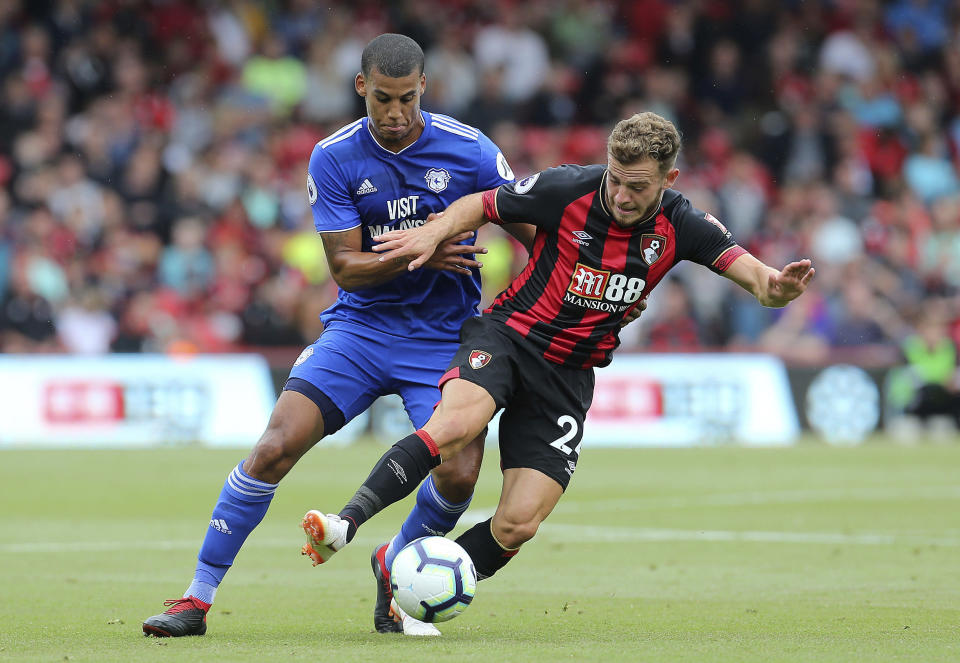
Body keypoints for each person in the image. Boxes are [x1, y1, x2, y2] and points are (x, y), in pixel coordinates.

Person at [300, 111, 815, 597]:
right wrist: (432, 233)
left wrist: (778, 287)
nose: (622, 195)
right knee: (452, 429)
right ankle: (346, 522)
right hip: (509, 337)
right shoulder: (568, 187)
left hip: (569, 375)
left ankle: (404, 574)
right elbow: (483, 203)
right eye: (616, 179)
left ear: (669, 180)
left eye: (638, 186)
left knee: (517, 523)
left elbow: (760, 282)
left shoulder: (685, 226)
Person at [142, 33, 538, 638]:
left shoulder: (473, 151)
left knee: (459, 474)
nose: (396, 112)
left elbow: (534, 234)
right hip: (361, 328)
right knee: (275, 446)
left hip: (442, 337)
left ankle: (394, 565)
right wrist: (423, 249)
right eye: (383, 98)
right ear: (361, 88)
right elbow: (344, 267)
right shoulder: (333, 157)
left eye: (407, 98)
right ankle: (195, 600)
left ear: (424, 88)